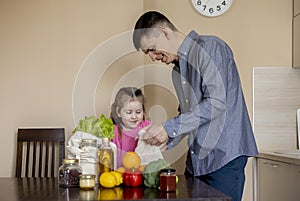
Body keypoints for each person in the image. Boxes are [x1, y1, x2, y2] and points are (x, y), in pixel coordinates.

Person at [132, 11, 258, 201]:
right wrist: (167, 138)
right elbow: (190, 114)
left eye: (152, 49)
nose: (152, 57)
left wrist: (169, 128)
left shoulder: (210, 47)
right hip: (198, 161)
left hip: (223, 157)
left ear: (164, 32)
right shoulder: (177, 71)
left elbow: (216, 102)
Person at [110, 87, 151, 168]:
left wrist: (146, 131)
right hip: (118, 174)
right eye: (129, 112)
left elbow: (156, 130)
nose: (134, 116)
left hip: (141, 174)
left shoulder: (146, 126)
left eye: (138, 112)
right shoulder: (113, 131)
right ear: (118, 112)